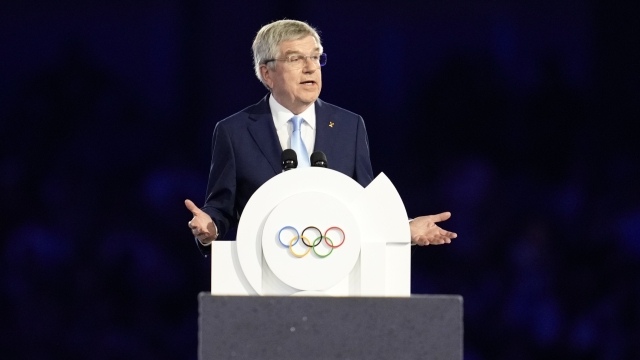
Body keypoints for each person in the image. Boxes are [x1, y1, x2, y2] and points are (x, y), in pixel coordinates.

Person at [185, 19, 456, 255]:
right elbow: (221, 208)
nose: (310, 67)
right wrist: (210, 228)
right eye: (295, 58)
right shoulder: (234, 131)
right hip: (264, 276)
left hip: (337, 272)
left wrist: (404, 228)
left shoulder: (350, 126)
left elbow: (365, 207)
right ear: (267, 73)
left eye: (315, 57)